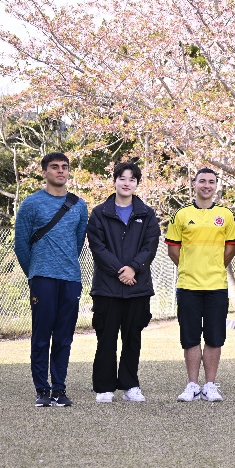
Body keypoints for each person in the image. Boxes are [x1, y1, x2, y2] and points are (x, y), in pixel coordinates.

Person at [14, 152, 89, 407]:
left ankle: (59, 389)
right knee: (42, 335)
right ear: (44, 171)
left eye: (64, 167)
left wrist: (64, 264)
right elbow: (21, 245)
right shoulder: (31, 204)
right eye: (54, 167)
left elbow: (77, 242)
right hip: (42, 278)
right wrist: (35, 272)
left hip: (70, 278)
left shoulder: (79, 205)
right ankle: (42, 390)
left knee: (64, 336)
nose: (60, 171)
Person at [86, 161, 161, 403]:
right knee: (106, 338)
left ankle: (130, 385)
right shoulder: (100, 213)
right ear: (115, 181)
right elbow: (98, 247)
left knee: (132, 339)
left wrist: (134, 269)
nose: (127, 183)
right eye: (122, 178)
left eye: (132, 179)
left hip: (137, 288)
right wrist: (121, 271)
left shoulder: (147, 214)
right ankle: (104, 387)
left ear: (137, 184)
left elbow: (150, 246)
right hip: (106, 288)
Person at [165, 168, 235, 402]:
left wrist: (214, 266)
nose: (207, 185)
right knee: (190, 337)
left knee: (215, 337)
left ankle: (210, 385)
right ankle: (193, 385)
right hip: (188, 286)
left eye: (211, 182)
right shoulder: (181, 214)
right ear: (194, 184)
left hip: (216, 286)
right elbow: (173, 250)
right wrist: (190, 267)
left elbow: (230, 249)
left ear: (216, 186)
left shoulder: (226, 215)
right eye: (202, 181)